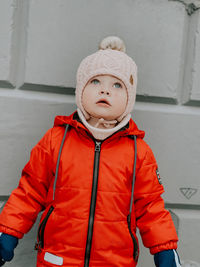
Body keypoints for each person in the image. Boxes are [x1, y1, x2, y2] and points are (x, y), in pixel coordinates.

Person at [0, 36, 181, 267]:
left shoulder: (138, 152)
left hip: (114, 262)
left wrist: (165, 249)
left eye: (117, 85)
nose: (105, 91)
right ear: (81, 89)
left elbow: (151, 207)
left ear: (129, 98)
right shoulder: (56, 140)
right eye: (95, 82)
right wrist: (8, 232)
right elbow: (30, 192)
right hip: (57, 260)